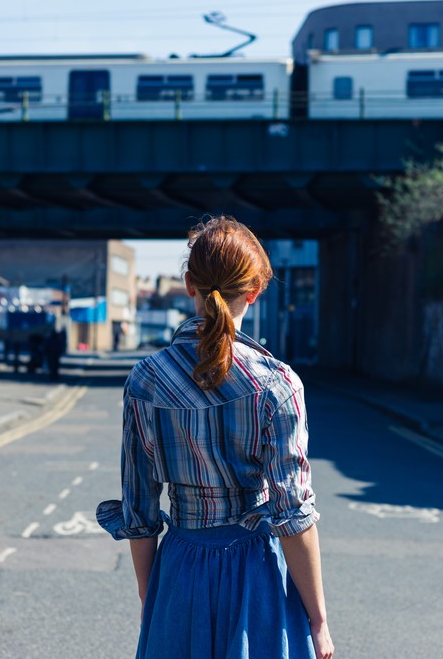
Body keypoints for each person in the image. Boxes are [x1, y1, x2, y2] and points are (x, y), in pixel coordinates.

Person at [97, 216, 334, 659]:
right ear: (254, 291)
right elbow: (293, 512)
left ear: (189, 284)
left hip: (181, 572)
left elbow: (139, 510)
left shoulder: (145, 382)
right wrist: (318, 621)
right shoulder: (278, 385)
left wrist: (155, 606)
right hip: (256, 576)